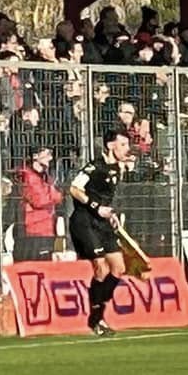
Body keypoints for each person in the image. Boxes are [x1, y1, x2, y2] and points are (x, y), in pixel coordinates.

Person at [67, 130, 131, 336]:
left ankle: (99, 312)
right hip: (85, 221)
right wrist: (97, 208)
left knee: (119, 268)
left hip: (103, 222)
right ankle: (96, 319)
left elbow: (105, 198)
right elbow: (74, 189)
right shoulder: (94, 167)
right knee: (101, 268)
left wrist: (109, 213)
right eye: (122, 145)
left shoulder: (118, 169)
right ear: (111, 145)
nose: (126, 149)